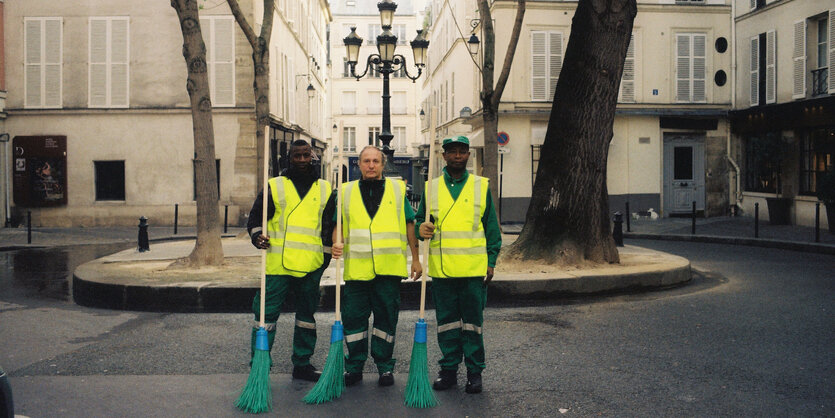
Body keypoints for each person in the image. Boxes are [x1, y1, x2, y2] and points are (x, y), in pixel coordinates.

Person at [415, 135, 501, 394]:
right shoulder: (431, 188)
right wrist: (423, 228)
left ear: (468, 155)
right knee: (447, 324)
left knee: (473, 325)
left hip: (473, 270)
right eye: (452, 152)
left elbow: (491, 227)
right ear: (444, 156)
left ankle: (475, 373)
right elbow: (420, 222)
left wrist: (491, 260)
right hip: (442, 271)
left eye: (462, 151)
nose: (457, 156)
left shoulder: (480, 186)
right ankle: (449, 370)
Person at [331, 145, 422, 387]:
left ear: (382, 165)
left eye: (375, 161)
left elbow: (409, 224)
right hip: (357, 272)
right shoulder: (346, 191)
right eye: (366, 161)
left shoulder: (398, 189)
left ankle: (384, 367)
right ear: (358, 165)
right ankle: (354, 367)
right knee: (354, 321)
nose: (371, 165)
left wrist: (415, 258)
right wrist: (335, 242)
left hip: (388, 270)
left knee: (386, 320)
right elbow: (337, 224)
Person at [246, 139, 336, 382]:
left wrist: (324, 260)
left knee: (306, 317)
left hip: (311, 264)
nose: (303, 160)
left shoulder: (326, 189)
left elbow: (329, 228)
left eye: (306, 155)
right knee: (265, 317)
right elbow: (255, 218)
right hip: (277, 264)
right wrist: (257, 236)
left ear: (313, 157)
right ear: (290, 159)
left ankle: (303, 364)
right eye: (297, 156)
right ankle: (260, 364)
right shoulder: (274, 186)